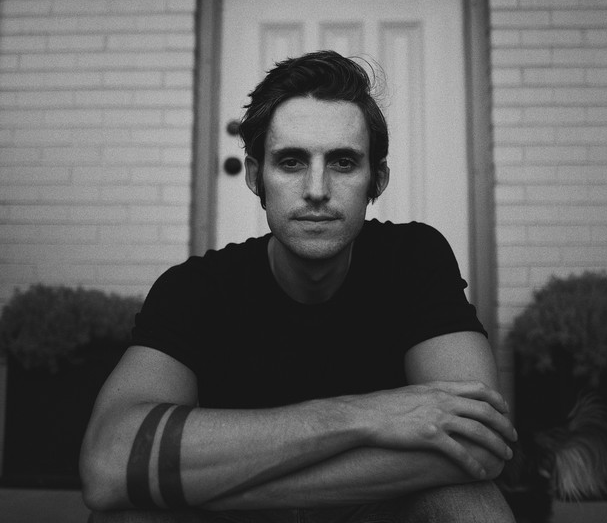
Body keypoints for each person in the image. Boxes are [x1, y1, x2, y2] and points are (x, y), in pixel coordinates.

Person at [80, 50, 517, 522]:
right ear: (256, 177)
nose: (316, 189)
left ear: (377, 179)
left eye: (343, 163)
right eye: (291, 162)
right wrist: (366, 416)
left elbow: (480, 441)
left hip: (369, 513)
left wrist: (223, 488)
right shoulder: (196, 288)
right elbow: (108, 465)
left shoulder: (412, 259)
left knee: (469, 504)